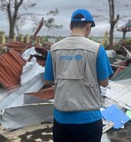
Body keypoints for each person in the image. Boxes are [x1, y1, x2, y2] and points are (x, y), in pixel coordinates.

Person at [44, 9, 113, 142]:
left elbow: (48, 81)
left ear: (70, 26)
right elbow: (104, 82)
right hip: (89, 119)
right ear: (89, 26)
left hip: (62, 119)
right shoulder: (97, 49)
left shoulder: (54, 49)